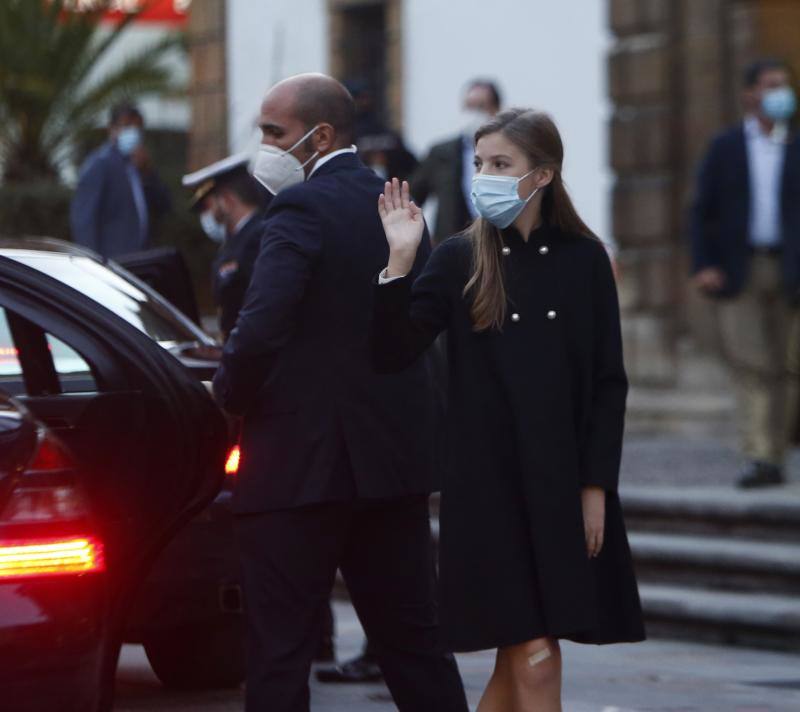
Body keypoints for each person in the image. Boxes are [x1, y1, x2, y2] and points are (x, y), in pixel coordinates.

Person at [372, 108, 646, 711]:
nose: (484, 177)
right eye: (479, 165)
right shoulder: (455, 258)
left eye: (501, 164)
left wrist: (596, 485)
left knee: (520, 662)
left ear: (542, 175)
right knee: (537, 658)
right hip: (486, 490)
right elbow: (392, 352)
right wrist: (398, 260)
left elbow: (608, 381)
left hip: (561, 487)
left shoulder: (585, 260)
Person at [211, 73, 468, 712]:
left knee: (280, 651)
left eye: (274, 132)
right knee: (415, 645)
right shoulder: (398, 204)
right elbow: (411, 331)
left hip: (299, 465)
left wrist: (228, 396)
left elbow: (261, 326)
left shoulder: (297, 207)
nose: (263, 146)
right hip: (390, 467)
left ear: (320, 135)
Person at [690, 58, 800, 488]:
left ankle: (776, 448)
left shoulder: (795, 145)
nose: (780, 94)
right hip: (742, 269)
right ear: (750, 94)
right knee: (752, 365)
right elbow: (702, 211)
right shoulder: (726, 147)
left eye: (784, 86)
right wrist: (705, 264)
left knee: (787, 367)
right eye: (772, 85)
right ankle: (760, 456)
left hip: (791, 269)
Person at [182, 154, 270, 341]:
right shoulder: (237, 241)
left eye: (208, 205)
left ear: (228, 200)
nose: (207, 215)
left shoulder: (258, 238)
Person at [71, 102, 171, 258]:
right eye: (126, 126)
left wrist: (147, 173)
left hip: (141, 259)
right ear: (112, 129)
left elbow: (164, 206)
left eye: (137, 128)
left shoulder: (140, 164)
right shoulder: (99, 165)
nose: (133, 133)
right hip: (114, 262)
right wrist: (92, 263)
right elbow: (85, 221)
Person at [410, 79, 502, 245]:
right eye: (469, 107)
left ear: (495, 110)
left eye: (480, 107)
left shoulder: (509, 152)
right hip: (452, 246)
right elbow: (413, 197)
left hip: (497, 244)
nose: (473, 114)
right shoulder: (441, 153)